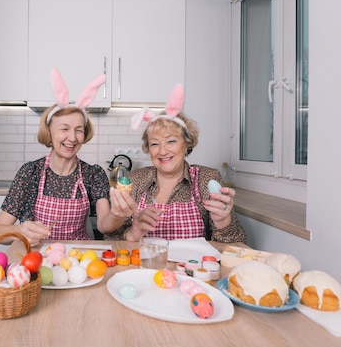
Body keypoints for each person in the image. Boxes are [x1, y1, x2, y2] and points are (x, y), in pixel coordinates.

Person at [0, 69, 127, 246]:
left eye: (79, 130)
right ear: (49, 131)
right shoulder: (30, 172)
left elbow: (103, 226)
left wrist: (118, 215)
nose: (72, 138)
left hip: (77, 258)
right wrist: (19, 230)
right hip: (36, 257)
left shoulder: (93, 174)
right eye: (64, 129)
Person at [100, 85, 247, 243]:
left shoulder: (206, 179)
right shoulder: (134, 180)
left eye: (171, 141)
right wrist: (132, 233)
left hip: (191, 267)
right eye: (155, 144)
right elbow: (110, 239)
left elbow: (237, 244)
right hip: (147, 266)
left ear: (187, 144)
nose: (162, 151)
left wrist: (223, 222)